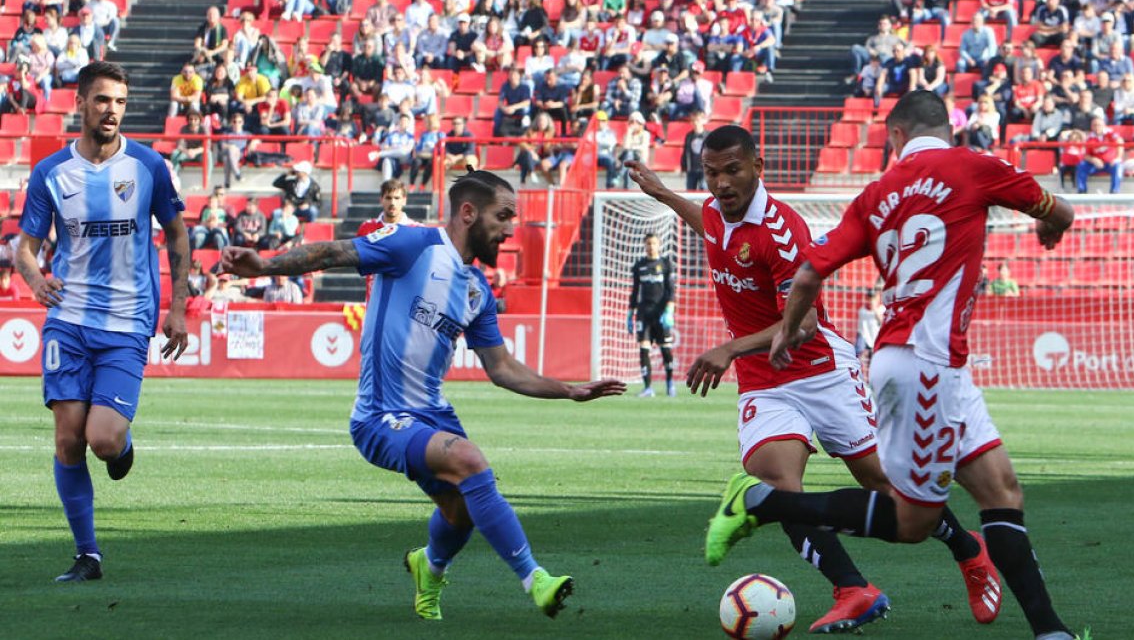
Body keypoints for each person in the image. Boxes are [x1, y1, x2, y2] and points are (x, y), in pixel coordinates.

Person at [701, 90, 1078, 640]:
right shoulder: (976, 166)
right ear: (947, 129)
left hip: (914, 362)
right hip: (925, 360)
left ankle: (1049, 629)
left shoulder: (877, 193)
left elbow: (806, 276)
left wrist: (785, 331)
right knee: (910, 517)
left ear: (895, 137)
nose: (720, 184)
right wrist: (1052, 224)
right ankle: (768, 505)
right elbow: (1059, 209)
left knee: (999, 491)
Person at [624, 124, 1002, 634]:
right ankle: (853, 589)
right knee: (776, 483)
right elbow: (709, 224)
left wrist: (729, 348)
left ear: (758, 167)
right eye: (711, 173)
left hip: (822, 371)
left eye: (732, 170)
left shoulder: (783, 232)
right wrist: (665, 194)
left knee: (887, 489)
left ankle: (968, 549)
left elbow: (801, 326)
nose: (720, 184)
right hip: (764, 380)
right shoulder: (718, 212)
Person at [220, 169, 626, 621]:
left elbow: (503, 368)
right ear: (468, 212)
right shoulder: (412, 244)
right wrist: (265, 265)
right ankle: (536, 580)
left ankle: (428, 566)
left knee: (460, 511)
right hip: (380, 416)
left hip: (433, 414)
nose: (511, 229)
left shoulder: (476, 290)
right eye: (504, 215)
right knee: (471, 462)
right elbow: (335, 251)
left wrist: (570, 391)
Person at [13, 61, 191, 583]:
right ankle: (88, 555)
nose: (111, 110)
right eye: (102, 100)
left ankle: (124, 445)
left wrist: (177, 306)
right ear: (81, 104)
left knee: (104, 441)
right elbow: (25, 248)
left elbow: (177, 235)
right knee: (68, 440)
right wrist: (35, 279)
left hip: (127, 320)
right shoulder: (51, 173)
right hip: (66, 319)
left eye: (119, 102)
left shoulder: (149, 166)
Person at [628, 233, 677, 398]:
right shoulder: (639, 266)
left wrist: (669, 310)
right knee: (643, 349)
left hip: (661, 313)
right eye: (648, 244)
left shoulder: (666, 264)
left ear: (659, 245)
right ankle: (648, 387)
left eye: (654, 243)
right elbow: (635, 291)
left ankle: (670, 383)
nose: (651, 247)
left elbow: (670, 290)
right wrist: (630, 312)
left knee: (666, 350)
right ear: (645, 246)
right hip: (644, 313)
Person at [1075, 115, 1122, 194]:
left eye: (1099, 125)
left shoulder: (1110, 133)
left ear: (1103, 125)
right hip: (1095, 164)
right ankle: (1082, 190)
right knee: (1081, 165)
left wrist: (1117, 158)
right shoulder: (1089, 138)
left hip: (1110, 163)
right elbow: (1085, 155)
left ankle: (1115, 191)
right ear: (1091, 127)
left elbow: (1120, 143)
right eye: (1094, 125)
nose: (1097, 127)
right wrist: (1093, 160)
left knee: (1118, 166)